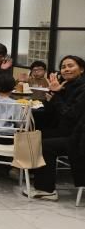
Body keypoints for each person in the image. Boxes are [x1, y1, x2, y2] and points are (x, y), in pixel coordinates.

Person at [28, 56, 85, 201]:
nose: (66, 69)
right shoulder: (67, 85)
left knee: (46, 145)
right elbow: (52, 112)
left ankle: (47, 189)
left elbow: (71, 115)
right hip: (68, 130)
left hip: (79, 136)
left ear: (81, 69)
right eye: (63, 67)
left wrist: (56, 96)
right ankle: (36, 174)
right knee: (35, 135)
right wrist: (53, 92)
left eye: (70, 66)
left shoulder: (82, 89)